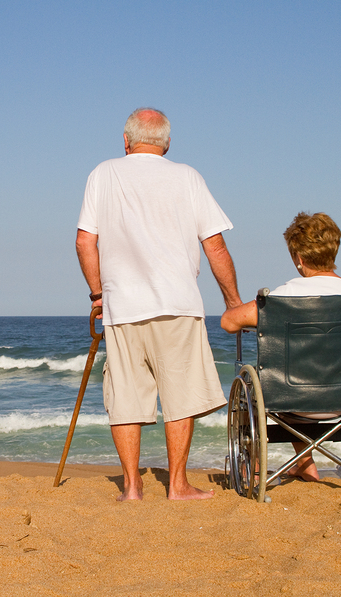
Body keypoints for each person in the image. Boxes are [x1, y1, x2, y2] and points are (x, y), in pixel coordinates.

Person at [76, 108, 242, 501]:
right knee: (180, 394)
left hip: (123, 306)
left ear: (126, 139)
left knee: (126, 398)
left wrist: (98, 295)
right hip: (178, 303)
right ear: (168, 142)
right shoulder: (187, 177)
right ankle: (177, 485)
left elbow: (86, 241)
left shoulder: (103, 174)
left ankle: (132, 488)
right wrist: (233, 302)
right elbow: (214, 245)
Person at [220, 212, 341, 482]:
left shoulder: (283, 297)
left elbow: (228, 322)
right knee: (300, 373)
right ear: (333, 251)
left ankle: (258, 468)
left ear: (299, 258)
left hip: (293, 399)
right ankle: (306, 465)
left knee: (268, 380)